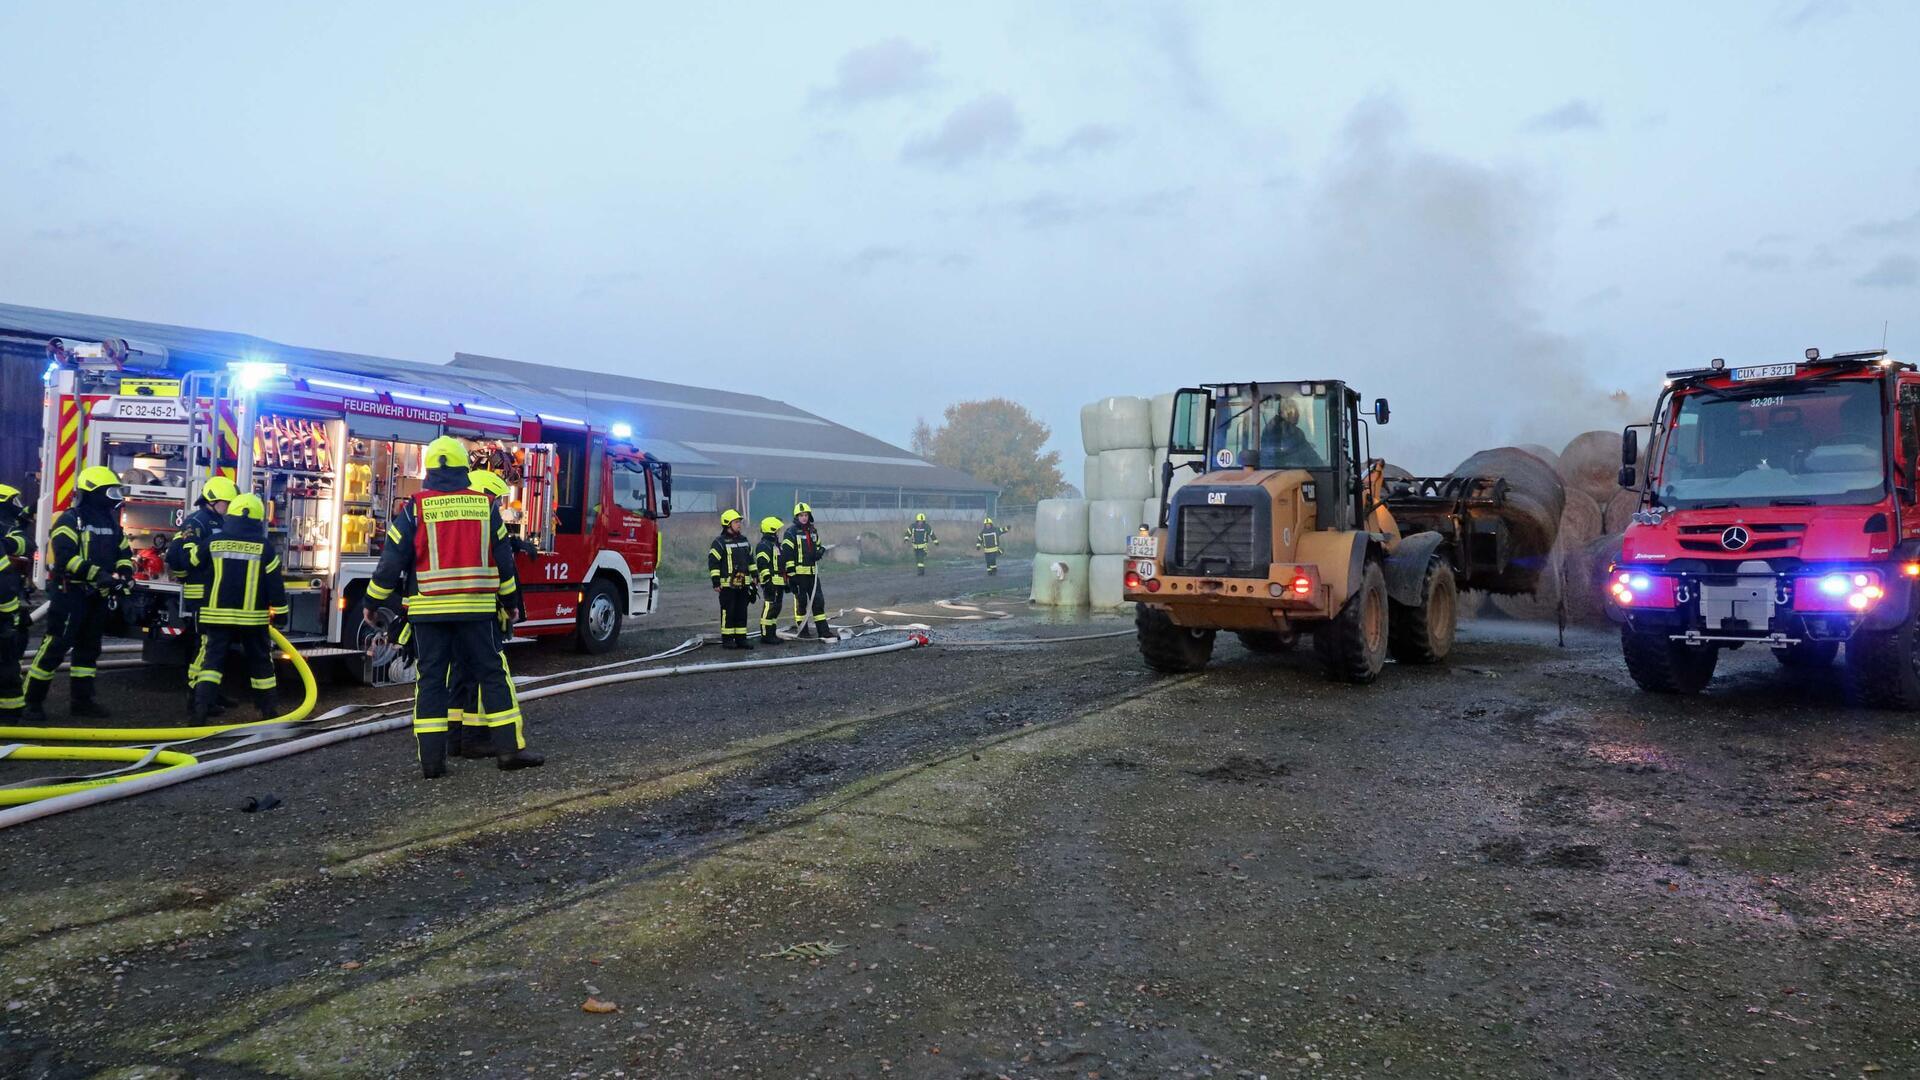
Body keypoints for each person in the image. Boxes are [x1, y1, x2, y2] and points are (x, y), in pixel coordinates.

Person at [363, 436, 542, 778]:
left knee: (431, 681)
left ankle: (432, 763)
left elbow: (391, 561)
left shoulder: (416, 509)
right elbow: (504, 561)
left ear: (430, 470)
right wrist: (510, 603)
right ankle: (509, 750)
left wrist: (372, 602)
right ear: (464, 468)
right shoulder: (484, 506)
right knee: (493, 675)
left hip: (429, 613)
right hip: (477, 611)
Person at [23, 465, 132, 721]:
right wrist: (99, 575)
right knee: (55, 646)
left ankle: (82, 702)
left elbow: (124, 553)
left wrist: (124, 573)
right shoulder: (70, 520)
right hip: (70, 594)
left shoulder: (111, 523)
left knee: (88, 649)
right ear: (93, 493)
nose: (115, 498)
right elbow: (66, 558)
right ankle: (30, 702)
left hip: (97, 596)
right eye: (110, 492)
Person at [447, 468, 539, 758]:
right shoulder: (485, 517)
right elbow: (501, 566)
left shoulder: (451, 519)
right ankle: (479, 739)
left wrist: (514, 543)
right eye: (496, 499)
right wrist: (511, 604)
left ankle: (455, 738)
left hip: (450, 612)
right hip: (480, 610)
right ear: (483, 494)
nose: (497, 505)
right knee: (486, 674)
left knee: (459, 673)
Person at [184, 493, 285, 723]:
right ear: (258, 519)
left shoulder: (213, 542)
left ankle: (200, 710)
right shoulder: (265, 547)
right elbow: (275, 584)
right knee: (260, 662)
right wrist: (281, 613)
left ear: (231, 516)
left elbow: (192, 562)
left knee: (212, 662)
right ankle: (269, 711)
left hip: (216, 616)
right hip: (253, 619)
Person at [167, 475, 239, 714]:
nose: (229, 507)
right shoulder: (196, 522)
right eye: (227, 503)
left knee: (217, 647)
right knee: (205, 645)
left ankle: (211, 692)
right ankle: (196, 696)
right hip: (201, 594)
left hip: (215, 592)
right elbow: (183, 557)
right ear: (212, 501)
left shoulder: (218, 521)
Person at [0, 483, 34, 717]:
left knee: (9, 659)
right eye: (14, 501)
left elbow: (27, 544)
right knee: (7, 661)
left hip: (9, 606)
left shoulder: (9, 527)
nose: (18, 506)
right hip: (7, 609)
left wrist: (6, 544)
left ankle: (10, 713)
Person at [781, 502, 830, 639]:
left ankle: (823, 631)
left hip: (812, 574)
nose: (804, 518)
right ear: (797, 517)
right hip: (799, 575)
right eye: (801, 515)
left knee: (818, 602)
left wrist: (819, 552)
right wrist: (792, 575)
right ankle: (803, 631)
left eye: (806, 515)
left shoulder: (813, 531)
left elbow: (819, 545)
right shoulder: (790, 532)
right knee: (801, 603)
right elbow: (787, 554)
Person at [708, 510, 755, 650]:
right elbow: (713, 562)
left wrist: (755, 576)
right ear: (727, 524)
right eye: (736, 522)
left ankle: (741, 639)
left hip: (743, 583)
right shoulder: (719, 542)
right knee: (728, 612)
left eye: (739, 522)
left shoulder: (744, 540)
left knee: (742, 612)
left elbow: (750, 560)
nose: (739, 524)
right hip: (727, 585)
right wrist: (716, 581)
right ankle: (727, 639)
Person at [1260, 396, 1323, 469]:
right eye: (1295, 411)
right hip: (1276, 472)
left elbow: (1310, 454)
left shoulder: (1296, 432)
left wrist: (1320, 465)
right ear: (1288, 412)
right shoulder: (1272, 431)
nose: (1298, 414)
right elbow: (1270, 457)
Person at [753, 515, 788, 646]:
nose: (779, 532)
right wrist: (767, 581)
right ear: (772, 530)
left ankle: (772, 633)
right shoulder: (764, 546)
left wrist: (786, 581)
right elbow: (762, 564)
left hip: (779, 582)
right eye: (777, 530)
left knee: (776, 608)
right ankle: (766, 635)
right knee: (770, 607)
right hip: (770, 582)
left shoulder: (776, 545)